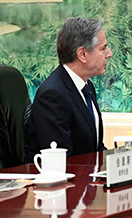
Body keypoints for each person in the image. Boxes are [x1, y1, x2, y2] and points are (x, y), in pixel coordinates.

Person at [25, 17, 112, 161]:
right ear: (82, 54)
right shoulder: (53, 95)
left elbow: (94, 148)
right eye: (103, 48)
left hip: (86, 177)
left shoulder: (86, 86)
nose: (109, 54)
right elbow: (60, 159)